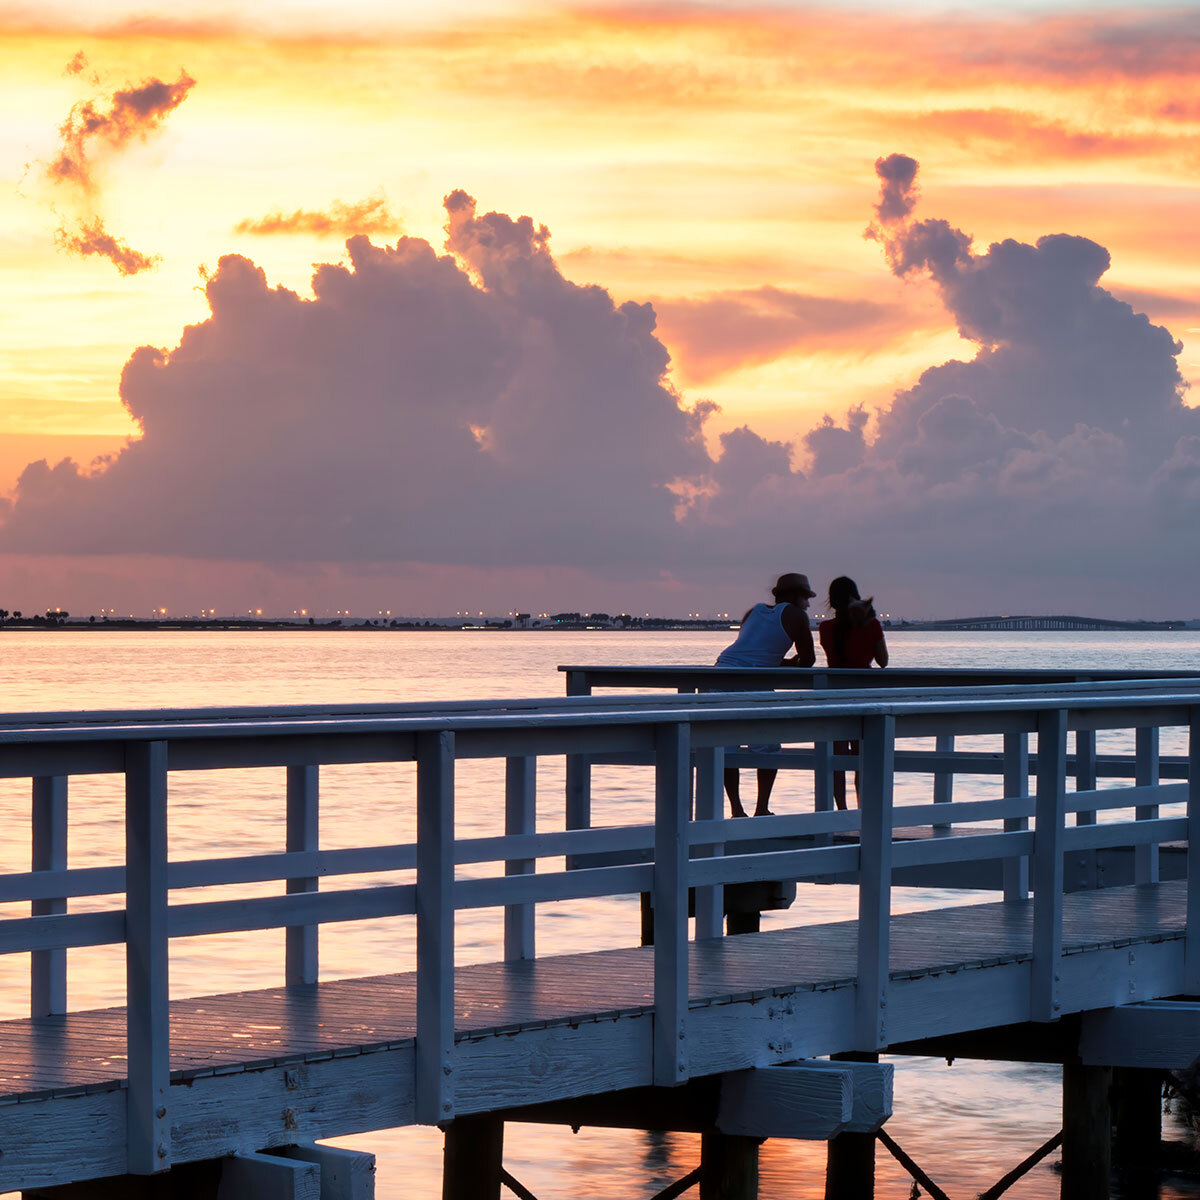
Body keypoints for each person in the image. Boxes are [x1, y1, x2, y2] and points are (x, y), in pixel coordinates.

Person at [714, 572, 817, 817]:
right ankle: (762, 808)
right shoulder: (796, 615)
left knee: (726, 747)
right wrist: (791, 663)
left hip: (719, 675)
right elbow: (808, 660)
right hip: (751, 682)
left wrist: (780, 663)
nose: (808, 604)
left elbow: (753, 652)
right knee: (767, 747)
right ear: (795, 596)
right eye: (806, 597)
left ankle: (737, 810)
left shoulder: (754, 611)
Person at [818, 576, 888, 809]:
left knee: (835, 759)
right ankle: (862, 810)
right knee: (862, 758)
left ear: (832, 601)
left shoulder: (825, 628)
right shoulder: (871, 625)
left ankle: (841, 810)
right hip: (863, 696)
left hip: (834, 696)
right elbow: (883, 662)